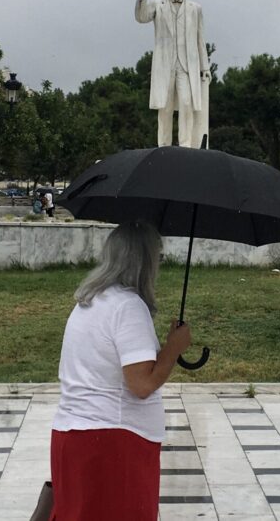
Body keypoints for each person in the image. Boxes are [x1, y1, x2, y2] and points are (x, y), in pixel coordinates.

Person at [50, 221, 192, 520]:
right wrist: (173, 349)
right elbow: (141, 385)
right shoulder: (128, 306)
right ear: (144, 260)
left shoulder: (90, 300)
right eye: (159, 256)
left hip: (75, 436)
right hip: (113, 443)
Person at [135, 0, 211, 148]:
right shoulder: (157, 5)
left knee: (186, 103)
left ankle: (185, 145)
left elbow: (200, 40)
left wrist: (205, 67)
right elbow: (141, 17)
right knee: (165, 107)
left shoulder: (195, 9)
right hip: (164, 65)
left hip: (186, 66)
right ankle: (164, 146)